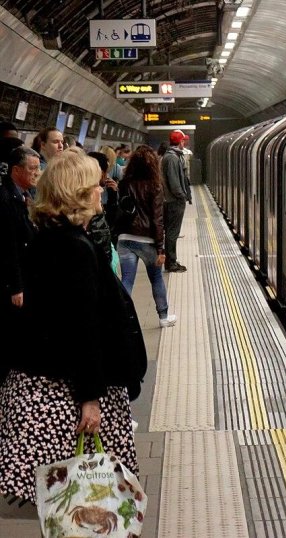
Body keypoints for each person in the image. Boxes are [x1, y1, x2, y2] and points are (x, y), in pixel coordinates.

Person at [0, 150, 146, 504]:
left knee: (68, 498)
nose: (100, 190)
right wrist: (90, 399)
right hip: (66, 394)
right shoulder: (72, 248)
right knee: (83, 494)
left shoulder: (51, 237)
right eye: (94, 185)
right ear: (77, 192)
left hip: (48, 384)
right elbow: (82, 328)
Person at [116, 145, 177, 328]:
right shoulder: (155, 185)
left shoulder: (124, 183)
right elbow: (157, 219)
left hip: (125, 238)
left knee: (127, 279)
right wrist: (161, 248)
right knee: (156, 278)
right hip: (147, 241)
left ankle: (121, 318)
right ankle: (163, 317)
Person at [0, 146, 39, 382]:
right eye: (32, 169)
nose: (36, 173)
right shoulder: (6, 200)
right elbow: (8, 246)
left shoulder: (22, 195)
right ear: (16, 170)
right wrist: (16, 286)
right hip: (14, 284)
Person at [160, 129, 191, 273]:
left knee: (171, 232)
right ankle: (171, 263)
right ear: (180, 142)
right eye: (183, 140)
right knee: (172, 232)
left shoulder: (173, 156)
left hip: (172, 200)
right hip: (173, 201)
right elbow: (174, 182)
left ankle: (171, 260)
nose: (184, 142)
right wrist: (182, 195)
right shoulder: (172, 158)